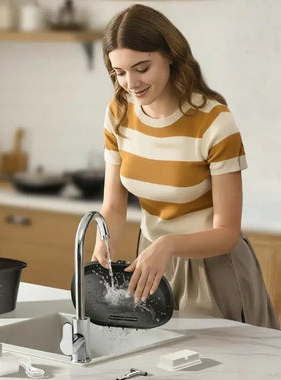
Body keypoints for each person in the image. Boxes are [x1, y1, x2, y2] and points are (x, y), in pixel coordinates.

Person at [92, 4, 279, 329]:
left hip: (212, 266)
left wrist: (168, 245)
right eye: (119, 72)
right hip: (150, 262)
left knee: (219, 374)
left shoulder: (213, 122)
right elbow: (114, 206)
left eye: (142, 68)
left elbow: (227, 232)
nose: (130, 83)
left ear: (171, 56)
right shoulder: (118, 113)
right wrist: (102, 241)